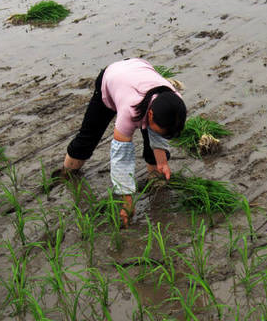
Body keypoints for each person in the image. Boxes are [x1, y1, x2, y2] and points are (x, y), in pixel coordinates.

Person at [58, 58, 187, 226]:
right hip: (112, 78)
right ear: (149, 115)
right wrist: (126, 199)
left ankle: (155, 177)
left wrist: (162, 161)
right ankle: (66, 173)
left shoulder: (174, 103)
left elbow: (160, 133)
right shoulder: (131, 110)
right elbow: (121, 158)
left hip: (138, 72)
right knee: (88, 137)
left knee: (154, 138)